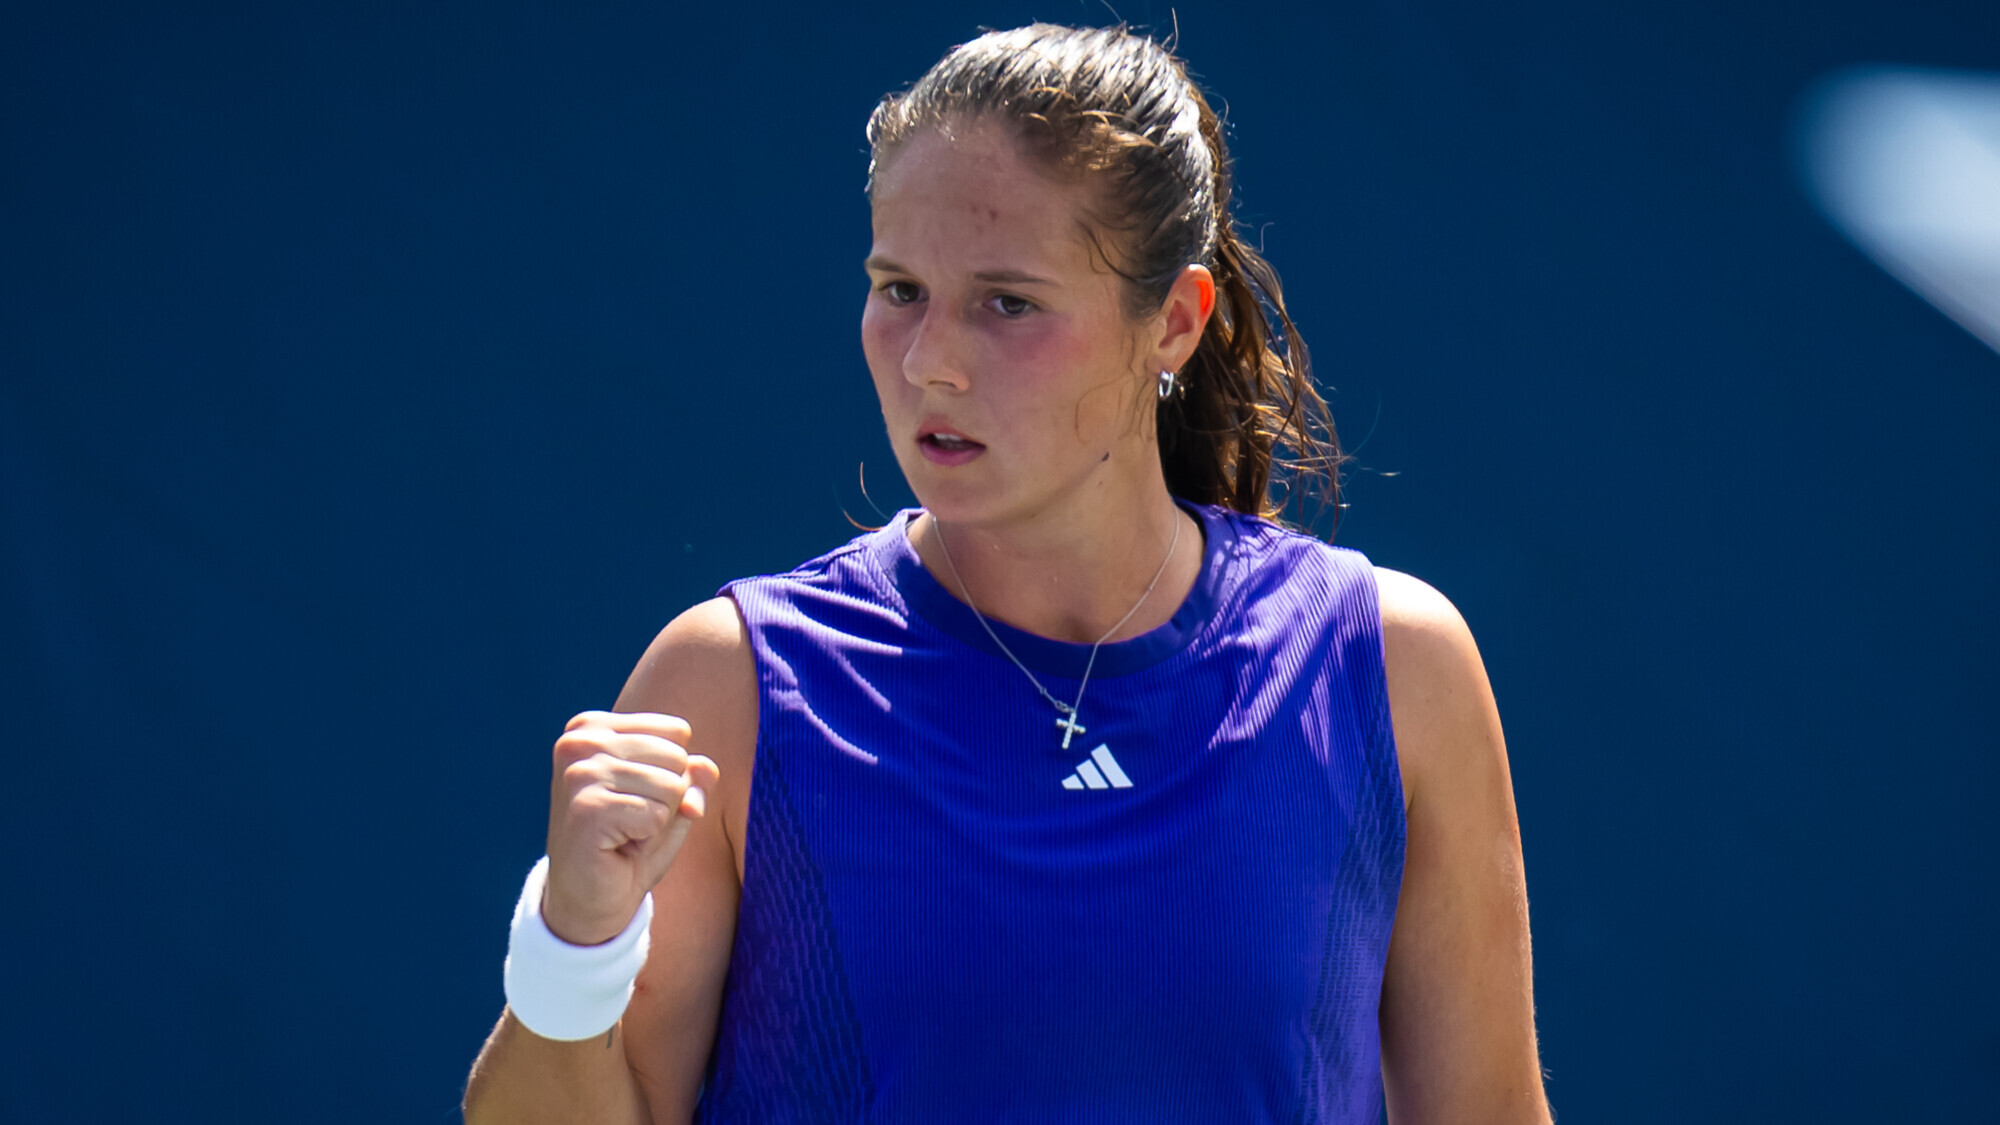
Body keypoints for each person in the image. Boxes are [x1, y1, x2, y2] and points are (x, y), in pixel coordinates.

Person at [464, 23, 1551, 1125]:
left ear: (1173, 323)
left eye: (1008, 302)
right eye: (899, 288)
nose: (929, 359)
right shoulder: (728, 691)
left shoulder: (1394, 668)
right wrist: (570, 950)